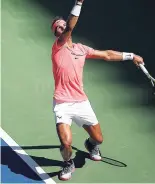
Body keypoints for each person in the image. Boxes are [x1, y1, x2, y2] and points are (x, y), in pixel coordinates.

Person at [51, 0, 144, 181]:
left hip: (81, 101)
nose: (63, 29)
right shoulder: (57, 48)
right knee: (66, 142)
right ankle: (67, 163)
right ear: (56, 34)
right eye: (59, 28)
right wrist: (78, 3)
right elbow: (70, 26)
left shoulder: (81, 49)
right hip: (62, 103)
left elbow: (107, 55)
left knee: (98, 139)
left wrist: (131, 56)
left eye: (63, 25)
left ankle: (91, 145)